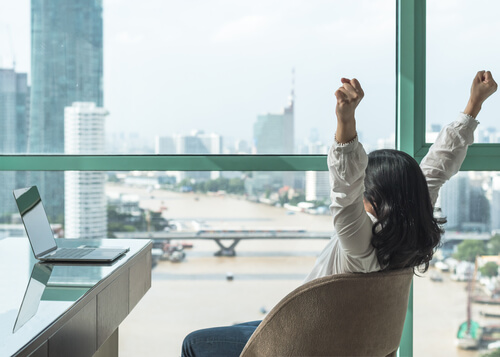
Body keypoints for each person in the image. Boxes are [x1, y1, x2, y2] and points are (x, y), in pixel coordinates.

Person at [181, 71, 498, 357]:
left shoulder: (361, 244)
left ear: (374, 196)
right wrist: (473, 105)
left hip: (306, 342)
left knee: (194, 343)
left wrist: (345, 122)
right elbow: (438, 165)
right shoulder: (408, 233)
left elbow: (345, 190)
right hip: (343, 339)